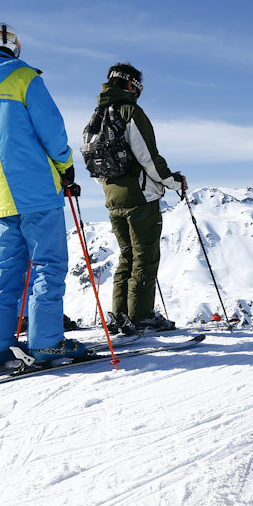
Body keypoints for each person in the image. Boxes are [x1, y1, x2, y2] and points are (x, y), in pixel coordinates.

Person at [0, 21, 85, 368]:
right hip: (35, 187)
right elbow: (52, 130)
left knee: (7, 266)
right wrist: (65, 165)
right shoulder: (25, 77)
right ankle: (47, 343)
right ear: (13, 46)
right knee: (47, 264)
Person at [94, 62, 186, 335]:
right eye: (139, 87)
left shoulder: (98, 115)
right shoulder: (130, 112)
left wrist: (111, 188)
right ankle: (141, 316)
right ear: (130, 84)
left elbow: (95, 163)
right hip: (139, 198)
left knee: (126, 257)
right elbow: (149, 158)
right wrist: (173, 182)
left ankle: (120, 315)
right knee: (145, 257)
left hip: (112, 198)